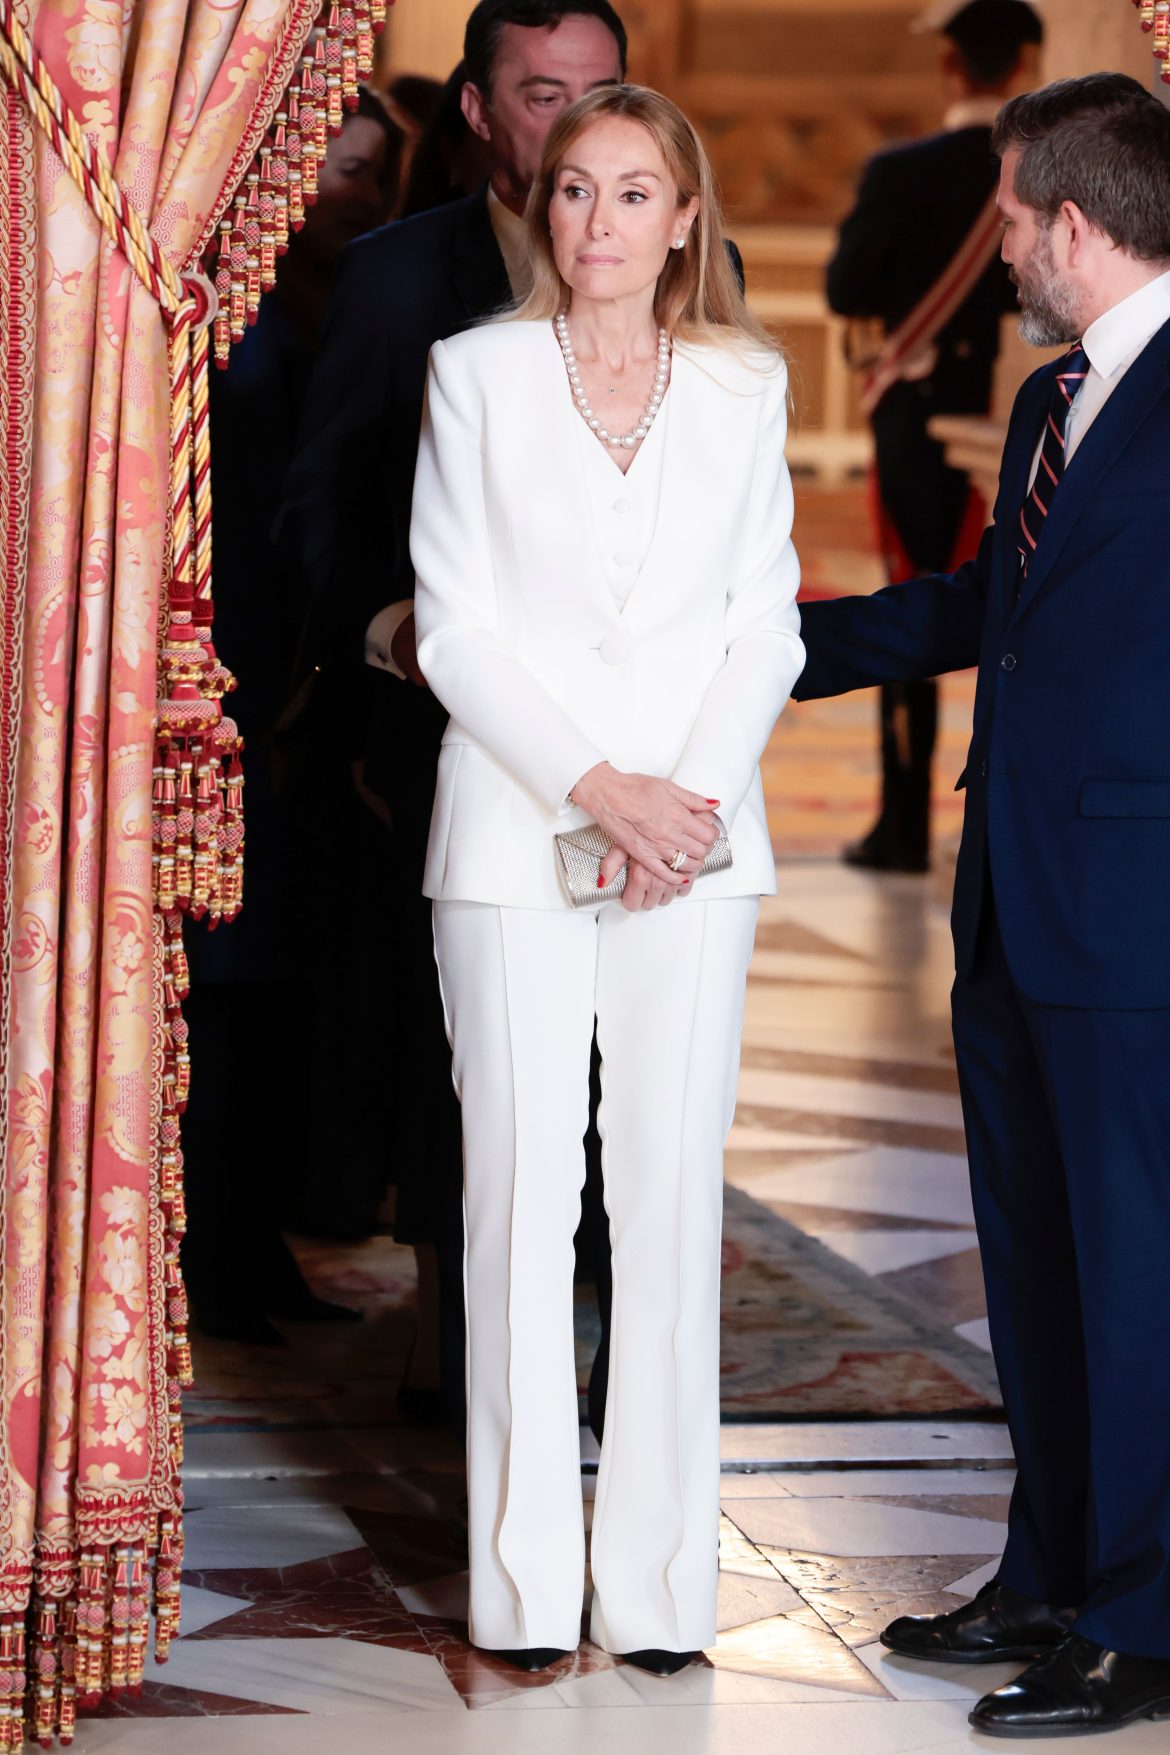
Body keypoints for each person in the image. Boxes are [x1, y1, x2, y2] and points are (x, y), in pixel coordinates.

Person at [793, 73, 1170, 1738]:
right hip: (1014, 906)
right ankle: (1050, 1571)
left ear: (1073, 228)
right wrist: (759, 655)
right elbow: (979, 605)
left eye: (1012, 219)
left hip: (1143, 918)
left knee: (1140, 1275)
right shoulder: (1048, 397)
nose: (998, 243)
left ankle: (1144, 1622)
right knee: (1036, 1265)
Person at [411, 82, 803, 1676]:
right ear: (539, 206)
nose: (597, 224)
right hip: (512, 835)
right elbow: (452, 623)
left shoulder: (745, 383)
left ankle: (651, 1592)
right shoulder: (473, 375)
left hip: (696, 855)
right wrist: (597, 788)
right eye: (574, 191)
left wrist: (680, 809)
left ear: (684, 219)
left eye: (634, 195)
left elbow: (763, 619)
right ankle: (517, 1587)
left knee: (661, 1200)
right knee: (517, 1204)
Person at [279, 0, 630, 1436]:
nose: (573, 121)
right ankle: (454, 1341)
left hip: (635, 754)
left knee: (617, 1058)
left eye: (601, 91)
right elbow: (321, 505)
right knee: (457, 1050)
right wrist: (387, 635)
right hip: (448, 743)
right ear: (480, 112)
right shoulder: (392, 278)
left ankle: (595, 1333)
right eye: (541, 93)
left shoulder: (688, 259)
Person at [182, 91, 404, 1343]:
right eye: (334, 169)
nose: (351, 196)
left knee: (285, 993)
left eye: (373, 175)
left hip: (312, 701)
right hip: (246, 702)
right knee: (237, 987)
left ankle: (253, 1242)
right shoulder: (241, 323)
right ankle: (222, 1254)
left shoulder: (330, 304)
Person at [826, 0, 1041, 873]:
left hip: (916, 419)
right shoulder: (1039, 170)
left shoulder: (901, 170)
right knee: (1021, 603)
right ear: (1023, 67)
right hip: (1017, 405)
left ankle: (903, 820)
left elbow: (846, 289)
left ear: (949, 65)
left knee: (912, 600)